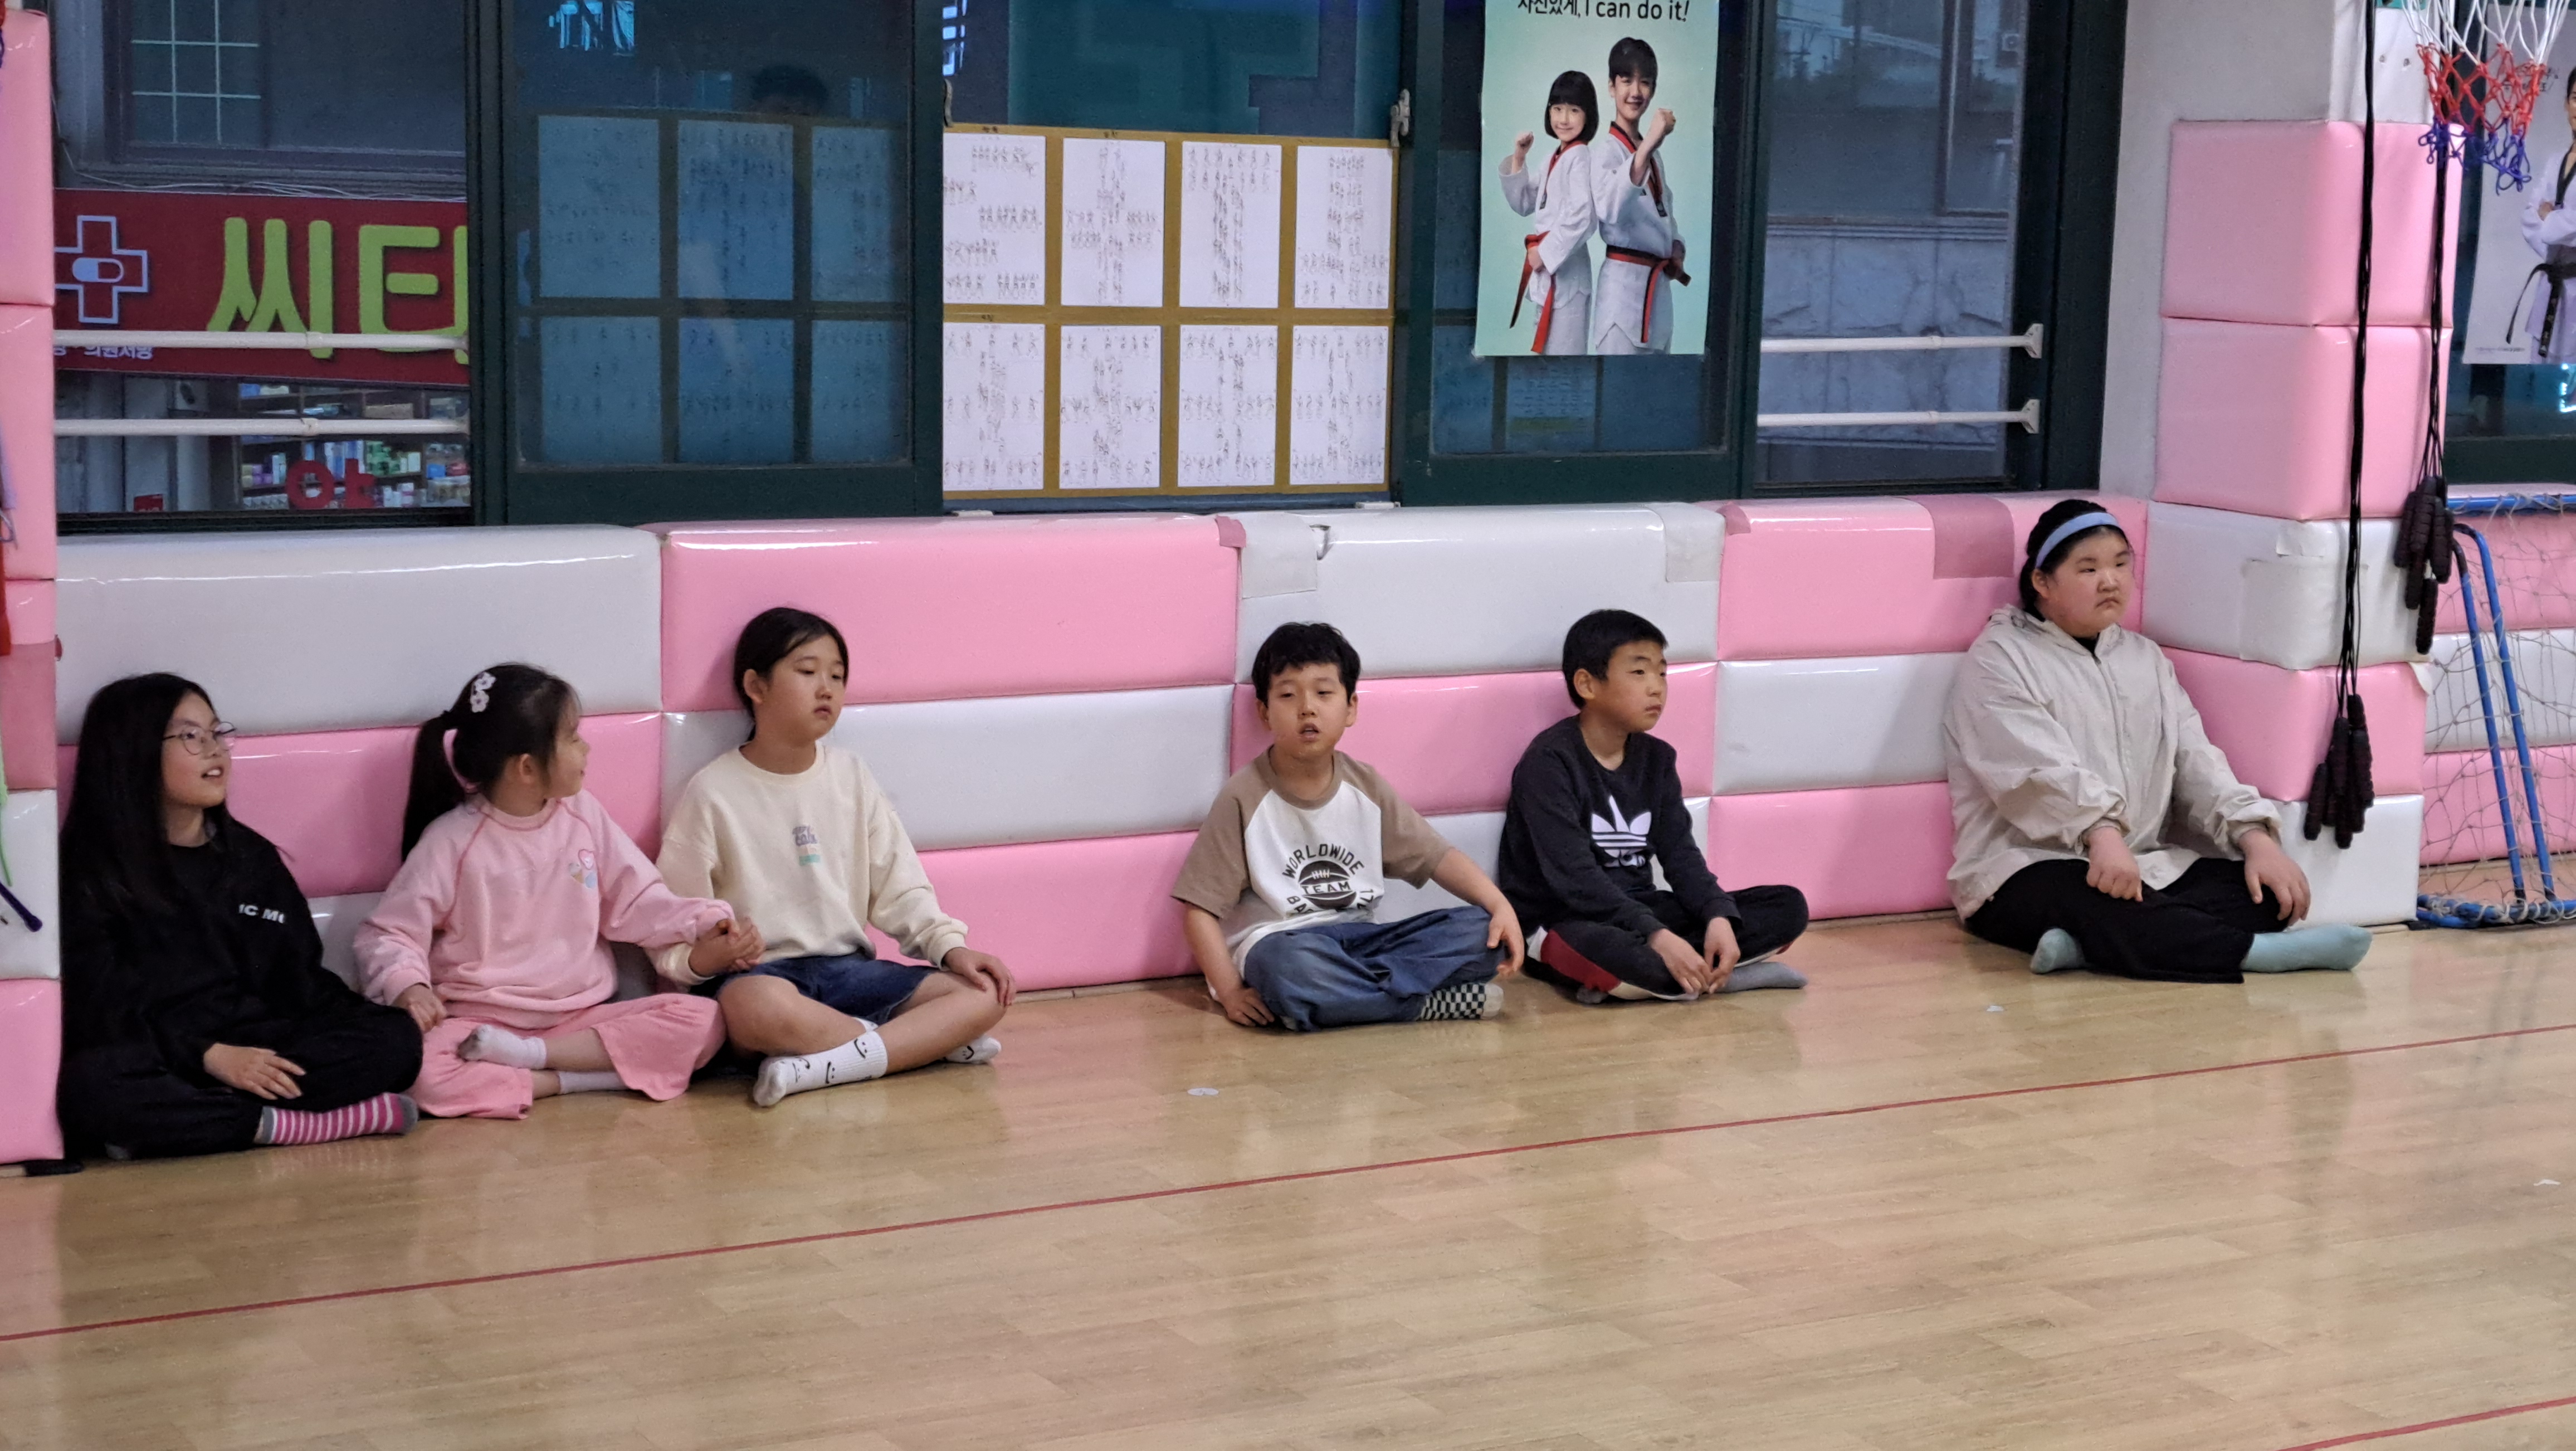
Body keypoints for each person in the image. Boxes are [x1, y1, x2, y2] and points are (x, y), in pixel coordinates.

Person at [1944, 500, 2375, 982]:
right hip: (2025, 868)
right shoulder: (2000, 658)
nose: (2111, 581)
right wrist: (2101, 835)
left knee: (2263, 893)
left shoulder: (2144, 658)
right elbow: (2035, 772)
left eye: (2120, 564)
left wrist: (2255, 839)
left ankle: (2086, 946)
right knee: (2087, 897)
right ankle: (2253, 954)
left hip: (2143, 866)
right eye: (2089, 569)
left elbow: (2196, 760)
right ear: (2042, 582)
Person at [357, 664, 755, 1118]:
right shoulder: (451, 842)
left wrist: (704, 922)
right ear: (527, 768)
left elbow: (638, 900)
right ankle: (577, 1077)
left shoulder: (582, 815)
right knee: (423, 1073)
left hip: (579, 1023)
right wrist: (409, 987)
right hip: (480, 1023)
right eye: (572, 737)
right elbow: (387, 933)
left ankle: (537, 1065)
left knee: (703, 1022)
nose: (586, 747)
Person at [657, 608, 1014, 1108]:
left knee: (982, 994)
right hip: (761, 978)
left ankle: (824, 1063)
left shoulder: (851, 775)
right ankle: (915, 1046)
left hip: (850, 974)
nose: (826, 688)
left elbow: (901, 887)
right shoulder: (712, 791)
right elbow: (672, 921)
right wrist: (702, 961)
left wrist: (951, 949)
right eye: (807, 672)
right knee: (750, 1005)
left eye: (838, 676)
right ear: (756, 687)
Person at [56, 674, 421, 1158]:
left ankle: (213, 1122)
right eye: (191, 736)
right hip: (166, 1051)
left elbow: (301, 979)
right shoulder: (92, 870)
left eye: (216, 732)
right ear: (134, 751)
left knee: (394, 1038)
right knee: (94, 1086)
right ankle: (290, 1123)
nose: (214, 750)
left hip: (260, 1043)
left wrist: (366, 1020)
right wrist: (209, 1056)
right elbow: (99, 1008)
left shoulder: (250, 858)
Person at [1173, 622, 1524, 1031]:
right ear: (1264, 712)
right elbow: (1198, 909)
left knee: (1482, 933)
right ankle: (1419, 1004)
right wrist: (1231, 992)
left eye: (1323, 693)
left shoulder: (1366, 786)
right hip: (1288, 947)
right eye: (1288, 695)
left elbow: (1437, 857)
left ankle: (1329, 1004)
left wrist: (1500, 906)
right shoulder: (1243, 796)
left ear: (1351, 707)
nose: (1307, 708)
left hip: (1365, 942)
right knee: (1286, 970)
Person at [1500, 610, 1811, 1002]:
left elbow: (1681, 857)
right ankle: (1714, 976)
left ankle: (1655, 979)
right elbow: (1575, 879)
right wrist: (1657, 935)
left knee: (1787, 906)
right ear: (1587, 684)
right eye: (1639, 672)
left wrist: (1717, 915)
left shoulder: (1657, 759)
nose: (1656, 688)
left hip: (1641, 910)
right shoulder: (1549, 763)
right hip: (1565, 918)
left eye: (1662, 673)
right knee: (1605, 947)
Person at [1590, 37, 1689, 355]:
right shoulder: (1606, 152)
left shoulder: (1652, 154)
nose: (1636, 92)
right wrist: (1648, 146)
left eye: (1645, 82)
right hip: (1623, 298)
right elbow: (1610, 210)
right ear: (1611, 86)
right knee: (1620, 384)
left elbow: (1664, 209)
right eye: (1626, 81)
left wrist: (1676, 245)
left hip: (1658, 295)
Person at [1498, 70, 1600, 356]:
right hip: (1550, 271)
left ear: (1588, 115)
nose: (1563, 119)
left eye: (1574, 110)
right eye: (1557, 109)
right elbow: (1524, 202)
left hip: (1567, 272)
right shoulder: (1553, 158)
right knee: (1547, 358)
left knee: (1565, 357)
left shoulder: (1580, 158)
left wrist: (1544, 253)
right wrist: (1519, 157)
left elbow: (1583, 216)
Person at [2516, 74, 2576, 362]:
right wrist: (2557, 230)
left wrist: (2551, 219)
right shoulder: (2555, 161)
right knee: (2541, 368)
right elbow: (2530, 214)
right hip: (2551, 289)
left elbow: (2548, 220)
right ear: (2566, 104)